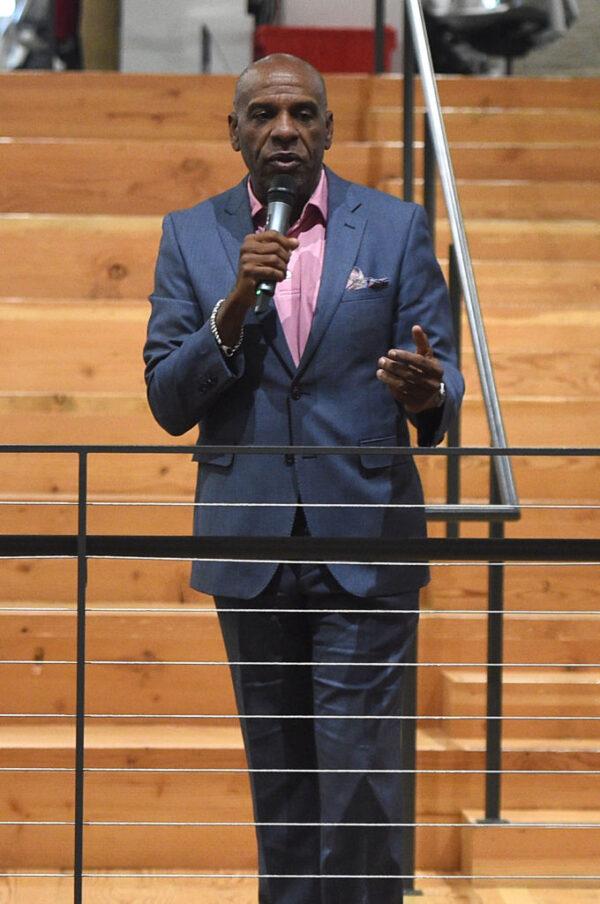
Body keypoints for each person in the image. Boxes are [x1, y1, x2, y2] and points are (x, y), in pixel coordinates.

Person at [144, 53, 464, 904]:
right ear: (235, 132)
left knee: (361, 781)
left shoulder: (395, 227)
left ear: (327, 128)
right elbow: (167, 399)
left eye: (301, 113)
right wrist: (232, 308)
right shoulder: (191, 235)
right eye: (264, 114)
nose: (283, 130)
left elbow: (442, 372)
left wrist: (429, 394)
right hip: (249, 547)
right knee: (280, 783)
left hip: (366, 540)